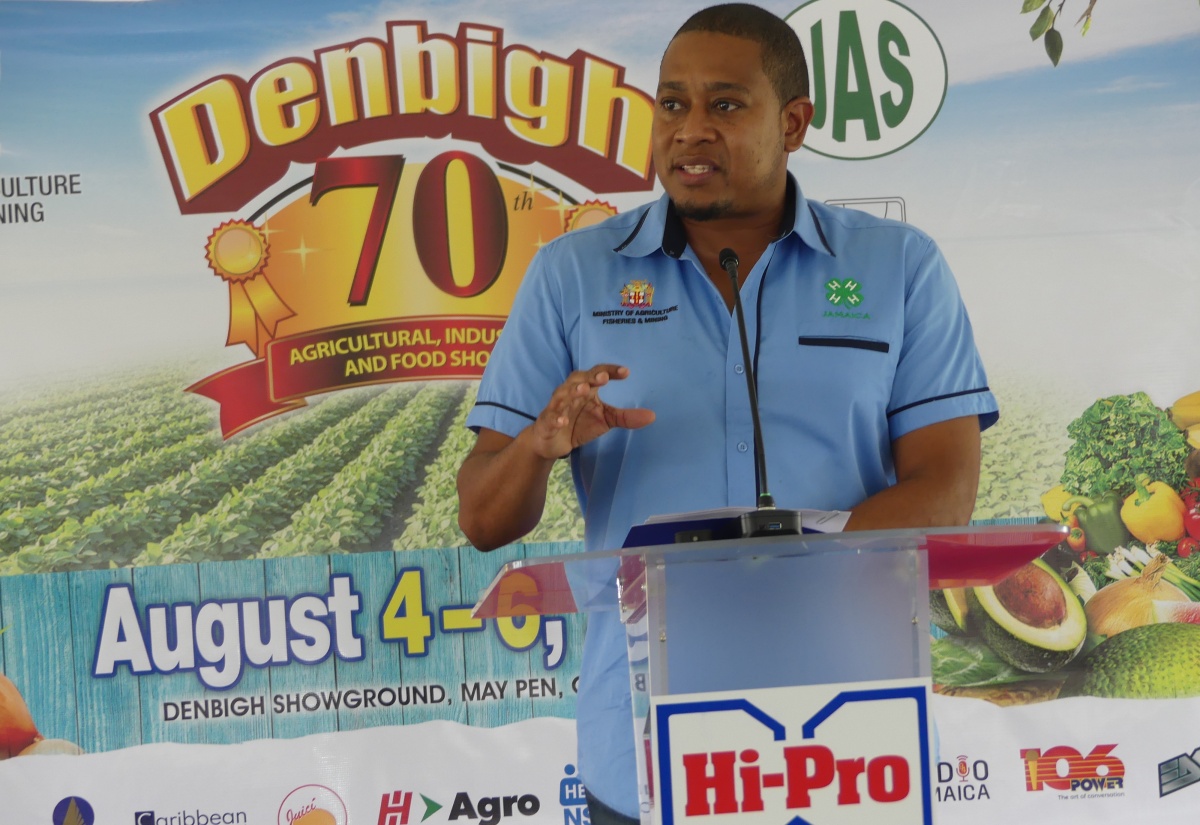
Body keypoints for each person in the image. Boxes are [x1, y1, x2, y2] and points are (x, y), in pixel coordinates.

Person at [457, 4, 997, 824]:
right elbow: (484, 517)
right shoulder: (571, 276)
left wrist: (779, 569)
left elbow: (946, 490)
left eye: (725, 105)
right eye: (671, 105)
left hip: (848, 738)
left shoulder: (898, 267)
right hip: (643, 746)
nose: (689, 130)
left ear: (794, 122)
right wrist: (537, 446)